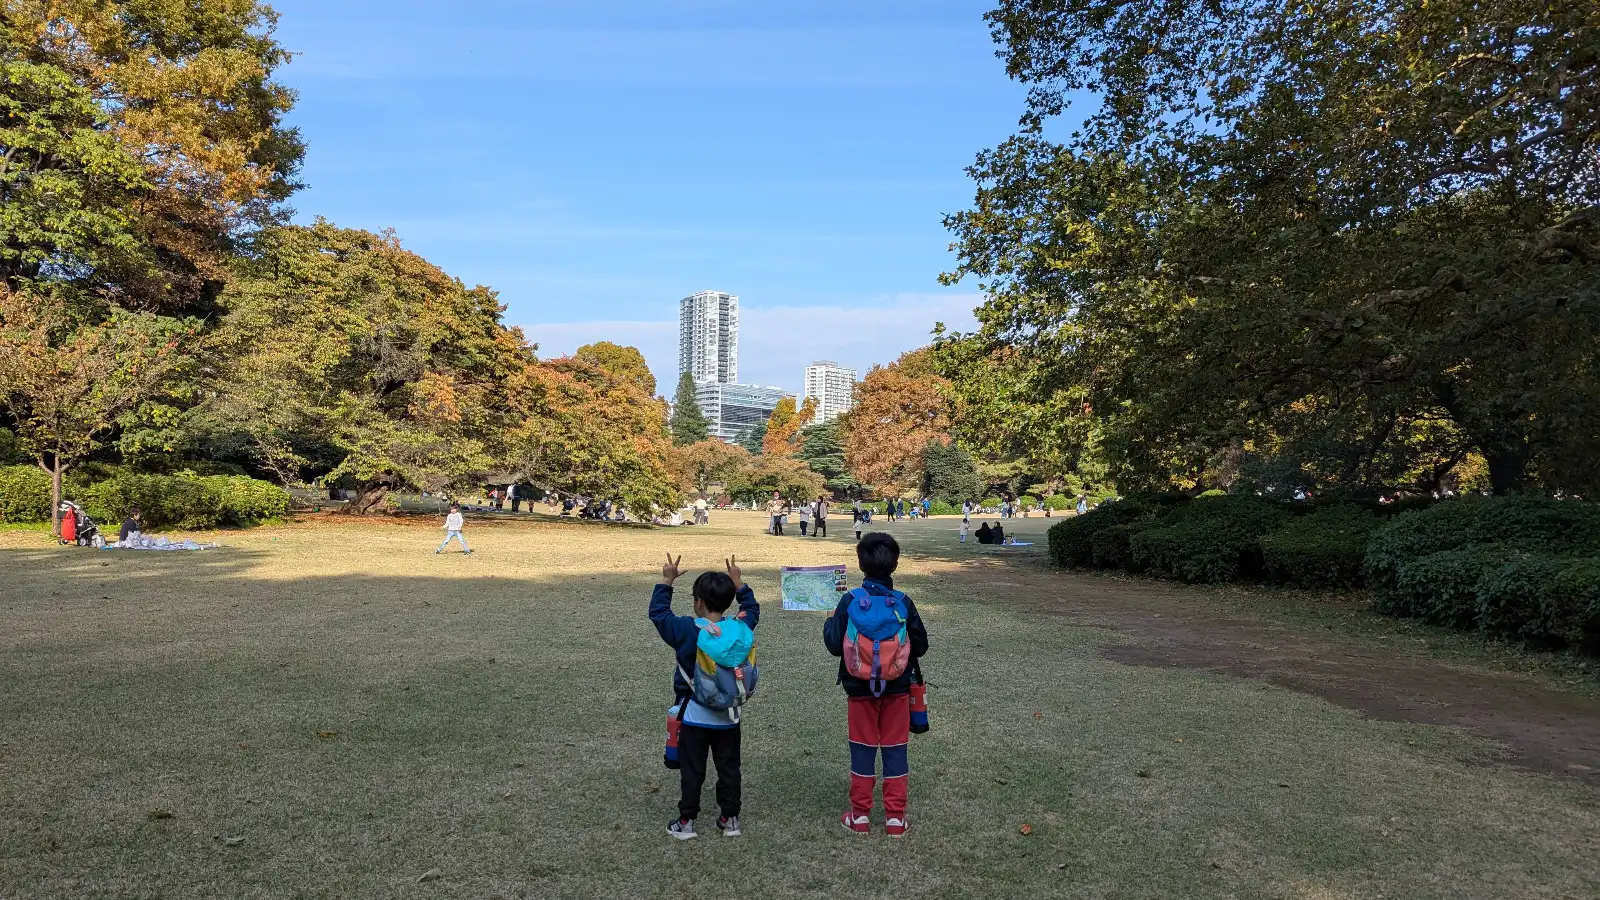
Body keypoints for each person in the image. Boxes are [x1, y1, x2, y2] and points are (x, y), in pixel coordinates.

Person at [823, 533, 928, 837]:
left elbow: (833, 645)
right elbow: (919, 646)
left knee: (862, 751)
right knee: (895, 750)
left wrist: (831, 619)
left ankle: (860, 816)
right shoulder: (904, 602)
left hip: (858, 691)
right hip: (897, 690)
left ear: (860, 564)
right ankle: (895, 818)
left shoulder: (849, 601)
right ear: (895, 564)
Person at [651, 553, 760, 840]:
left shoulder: (687, 630)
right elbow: (752, 609)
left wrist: (667, 581)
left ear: (697, 601)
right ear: (727, 602)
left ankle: (686, 822)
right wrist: (740, 584)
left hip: (693, 715)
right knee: (729, 769)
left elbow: (659, 614)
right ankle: (730, 818)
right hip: (729, 717)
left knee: (692, 770)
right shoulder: (740, 629)